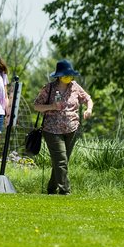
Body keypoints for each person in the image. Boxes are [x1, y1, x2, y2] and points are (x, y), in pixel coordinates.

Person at [33, 59, 93, 195]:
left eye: (70, 75)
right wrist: (51, 106)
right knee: (61, 161)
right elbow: (36, 106)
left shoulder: (75, 87)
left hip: (72, 129)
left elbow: (88, 98)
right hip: (52, 130)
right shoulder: (48, 88)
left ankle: (51, 189)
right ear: (59, 75)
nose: (68, 77)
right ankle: (65, 191)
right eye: (65, 75)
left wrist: (89, 109)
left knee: (61, 161)